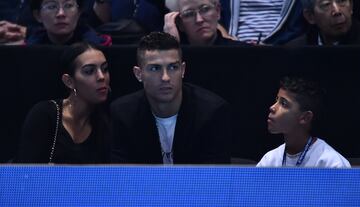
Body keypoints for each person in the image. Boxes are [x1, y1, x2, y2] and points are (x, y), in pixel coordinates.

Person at [111, 32, 232, 164]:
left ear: (183, 70)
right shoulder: (123, 113)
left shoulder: (211, 111)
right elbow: (122, 176)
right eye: (155, 68)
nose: (165, 78)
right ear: (139, 74)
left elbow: (215, 177)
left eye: (173, 67)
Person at [16, 42, 111, 163]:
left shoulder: (108, 121)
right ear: (69, 81)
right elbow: (26, 173)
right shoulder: (44, 115)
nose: (101, 76)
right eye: (89, 71)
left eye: (105, 69)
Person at [257, 76, 350, 167]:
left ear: (305, 117)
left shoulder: (332, 164)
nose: (272, 107)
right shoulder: (269, 161)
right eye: (277, 100)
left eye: (283, 103)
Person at [220, 0, 306, 45]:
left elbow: (301, 26)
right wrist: (226, 38)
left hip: (282, 49)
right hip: (234, 48)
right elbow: (211, 10)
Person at [26, 0, 111, 45]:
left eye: (68, 5)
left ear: (79, 12)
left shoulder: (99, 47)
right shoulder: (28, 49)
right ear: (38, 15)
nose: (61, 13)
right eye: (52, 6)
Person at [164, 0, 247, 45]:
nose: (199, 20)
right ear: (180, 23)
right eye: (189, 14)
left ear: (217, 11)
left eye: (205, 9)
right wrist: (171, 46)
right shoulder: (177, 58)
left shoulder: (241, 52)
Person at [287, 0, 360, 45]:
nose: (337, 11)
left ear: (351, 6)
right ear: (310, 16)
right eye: (326, 4)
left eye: (341, 1)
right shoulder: (297, 51)